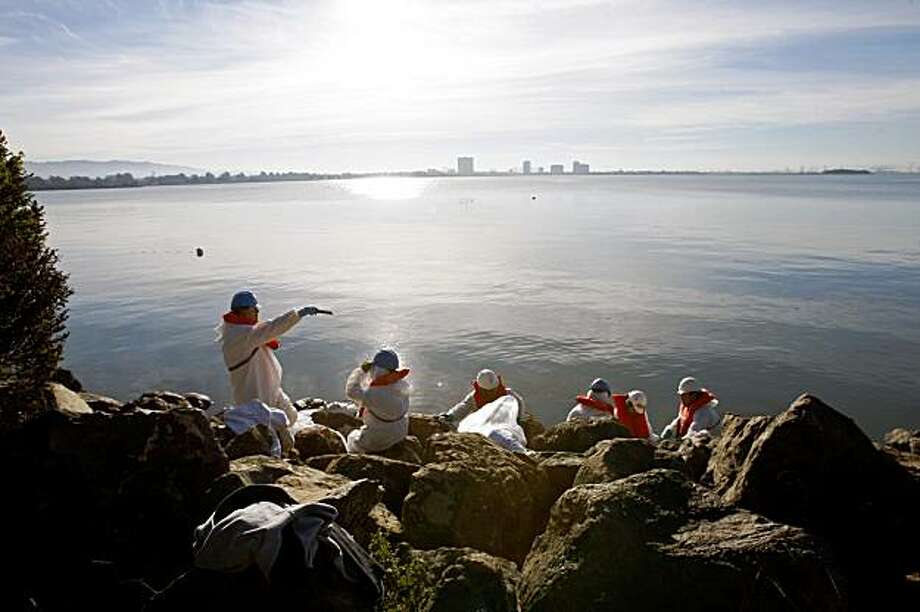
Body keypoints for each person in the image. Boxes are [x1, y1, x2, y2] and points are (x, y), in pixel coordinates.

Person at [218, 290, 332, 427]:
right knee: (269, 426)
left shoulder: (240, 329)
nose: (257, 312)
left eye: (257, 309)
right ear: (242, 311)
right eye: (254, 309)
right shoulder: (241, 336)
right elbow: (272, 328)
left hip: (270, 386)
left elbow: (264, 330)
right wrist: (298, 314)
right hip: (256, 393)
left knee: (291, 416)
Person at [344, 348, 410, 454]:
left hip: (381, 437)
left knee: (352, 437)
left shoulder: (374, 393)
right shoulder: (402, 384)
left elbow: (351, 391)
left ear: (377, 369)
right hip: (401, 431)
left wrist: (360, 371)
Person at [440, 369, 527, 428]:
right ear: (480, 388)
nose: (490, 393)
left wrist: (520, 419)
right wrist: (450, 416)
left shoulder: (508, 394)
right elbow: (463, 407)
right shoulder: (474, 397)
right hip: (485, 424)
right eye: (486, 391)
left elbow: (520, 402)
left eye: (492, 390)